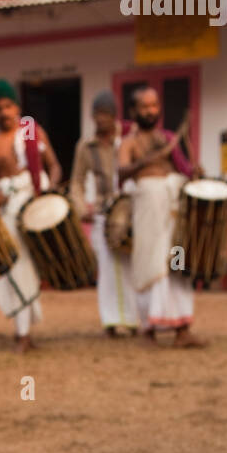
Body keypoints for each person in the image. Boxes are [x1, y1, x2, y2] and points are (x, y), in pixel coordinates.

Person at [0, 79, 62, 351]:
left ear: (18, 107)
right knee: (16, 266)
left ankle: (24, 331)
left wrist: (49, 193)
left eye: (8, 106)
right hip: (8, 212)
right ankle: (22, 333)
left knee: (29, 267)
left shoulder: (31, 131)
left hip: (34, 208)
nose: (4, 112)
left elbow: (54, 167)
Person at [118, 86, 202, 348]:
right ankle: (149, 330)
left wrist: (194, 172)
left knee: (176, 265)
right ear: (133, 111)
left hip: (173, 206)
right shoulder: (129, 143)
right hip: (148, 207)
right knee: (151, 265)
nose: (151, 111)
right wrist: (148, 160)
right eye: (144, 106)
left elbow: (184, 169)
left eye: (154, 105)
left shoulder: (168, 138)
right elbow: (121, 173)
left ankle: (182, 330)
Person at [69, 90, 137, 337]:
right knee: (107, 270)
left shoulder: (130, 139)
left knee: (131, 266)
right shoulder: (85, 147)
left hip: (130, 210)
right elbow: (76, 181)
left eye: (105, 115)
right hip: (102, 212)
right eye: (97, 115)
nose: (101, 120)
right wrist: (80, 207)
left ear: (115, 116)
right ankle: (111, 321)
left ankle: (133, 320)